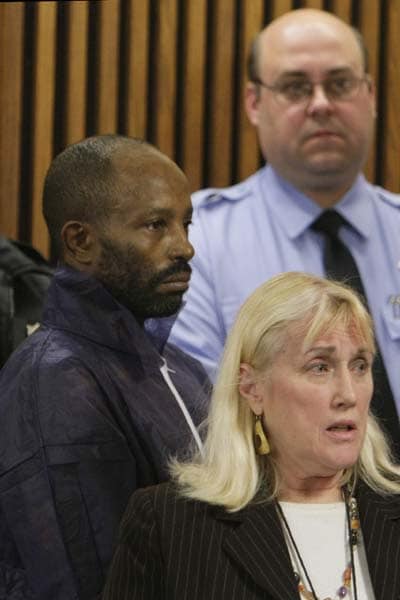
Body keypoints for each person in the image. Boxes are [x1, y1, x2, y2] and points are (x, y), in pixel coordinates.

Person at [168, 9, 400, 449]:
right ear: (255, 103)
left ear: (370, 95)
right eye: (295, 87)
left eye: (340, 83)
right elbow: (201, 423)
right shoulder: (199, 243)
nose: (320, 103)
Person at [0, 135, 210, 600]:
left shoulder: (182, 368)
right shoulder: (55, 380)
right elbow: (88, 584)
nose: (184, 248)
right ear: (80, 241)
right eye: (156, 225)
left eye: (186, 224)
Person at [103, 272, 400, 600]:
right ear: (251, 388)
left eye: (359, 366)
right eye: (320, 367)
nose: (349, 394)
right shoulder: (168, 525)